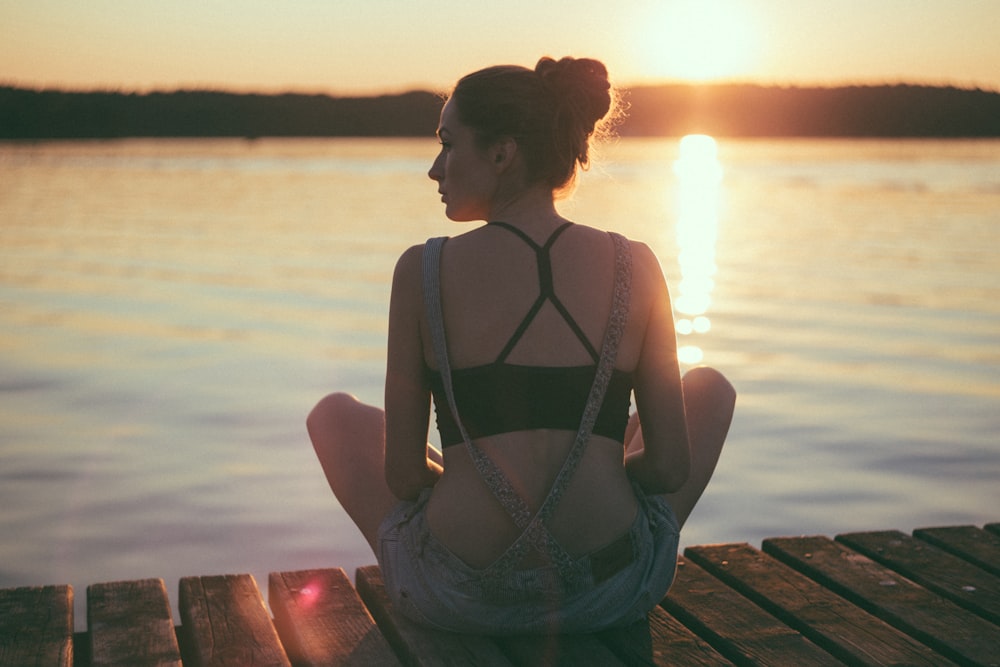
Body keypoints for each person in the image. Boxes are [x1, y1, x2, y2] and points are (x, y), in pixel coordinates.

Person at [307, 56, 735, 635]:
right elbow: (667, 468)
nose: (435, 169)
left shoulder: (422, 271)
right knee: (709, 387)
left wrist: (468, 479)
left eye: (448, 144)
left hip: (460, 596)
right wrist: (596, 468)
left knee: (333, 416)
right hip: (609, 588)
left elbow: (405, 477)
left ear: (503, 153)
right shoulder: (638, 264)